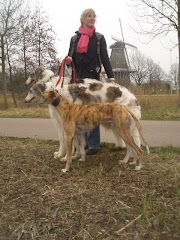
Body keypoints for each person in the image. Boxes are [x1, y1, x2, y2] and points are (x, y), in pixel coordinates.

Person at [65, 8, 115, 155]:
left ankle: (94, 144)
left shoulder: (99, 38)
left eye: (94, 16)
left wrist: (111, 78)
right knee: (79, 111)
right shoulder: (74, 39)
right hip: (78, 79)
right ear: (82, 19)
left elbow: (105, 58)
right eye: (89, 16)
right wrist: (68, 61)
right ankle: (83, 143)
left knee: (93, 111)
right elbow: (70, 59)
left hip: (93, 80)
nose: (92, 18)